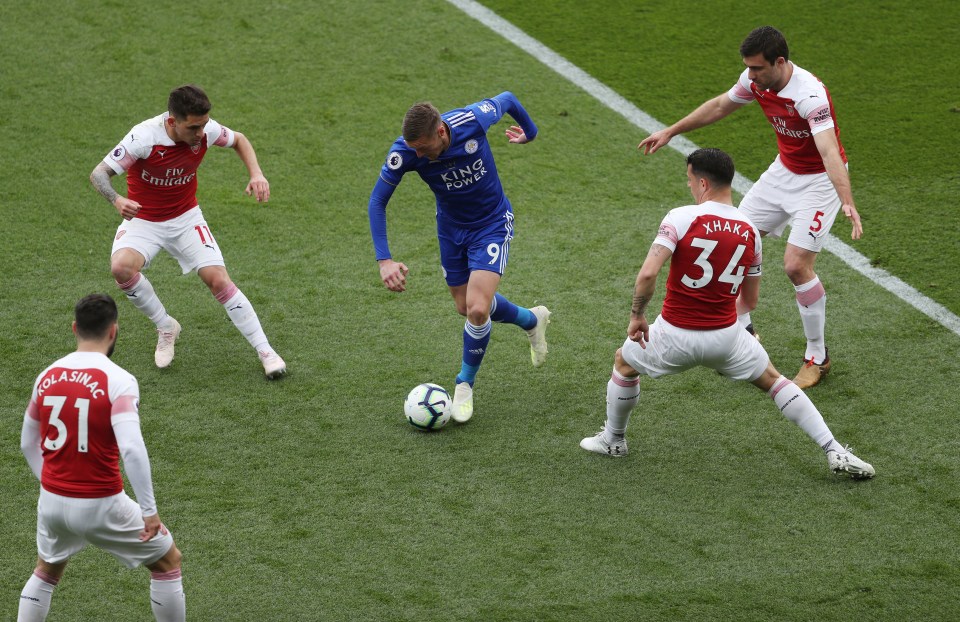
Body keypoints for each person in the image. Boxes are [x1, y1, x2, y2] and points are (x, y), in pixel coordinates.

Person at [579, 148, 874, 480]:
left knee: (624, 362)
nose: (690, 186)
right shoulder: (750, 231)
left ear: (702, 182)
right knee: (775, 381)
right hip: (727, 339)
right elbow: (749, 302)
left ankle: (614, 441)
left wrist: (637, 316)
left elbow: (647, 275)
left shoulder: (680, 217)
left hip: (673, 334)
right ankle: (834, 449)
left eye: (690, 180)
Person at [638, 26, 862, 389]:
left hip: (820, 181)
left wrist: (846, 198)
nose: (751, 76)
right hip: (783, 172)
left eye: (757, 69)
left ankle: (817, 357)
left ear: (780, 62)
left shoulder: (810, 96)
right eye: (748, 68)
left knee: (795, 265)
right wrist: (672, 130)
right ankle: (742, 329)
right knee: (737, 238)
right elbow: (721, 105)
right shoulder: (757, 80)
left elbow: (828, 151)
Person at [369, 92, 551, 422]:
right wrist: (385, 260)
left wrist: (531, 132)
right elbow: (377, 202)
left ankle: (464, 384)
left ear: (441, 133)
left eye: (422, 148)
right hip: (451, 230)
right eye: (413, 150)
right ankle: (531, 320)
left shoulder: (472, 120)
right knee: (465, 307)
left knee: (478, 309)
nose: (418, 155)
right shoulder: (406, 153)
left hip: (491, 224)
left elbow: (508, 99)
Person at [89, 84, 286, 379]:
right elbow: (99, 173)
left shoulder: (205, 130)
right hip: (145, 220)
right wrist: (116, 199)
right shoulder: (143, 137)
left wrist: (256, 173)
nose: (200, 135)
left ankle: (266, 351)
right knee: (121, 268)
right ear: (172, 122)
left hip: (185, 218)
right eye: (193, 127)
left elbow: (239, 140)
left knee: (218, 280)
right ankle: (166, 326)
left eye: (204, 125)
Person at [18, 294, 186, 621]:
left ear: (74, 328)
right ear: (113, 331)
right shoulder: (118, 380)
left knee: (47, 570)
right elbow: (132, 448)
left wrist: (54, 484)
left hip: (52, 501)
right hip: (102, 503)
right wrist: (149, 511)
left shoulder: (47, 375)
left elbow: (28, 442)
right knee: (168, 560)